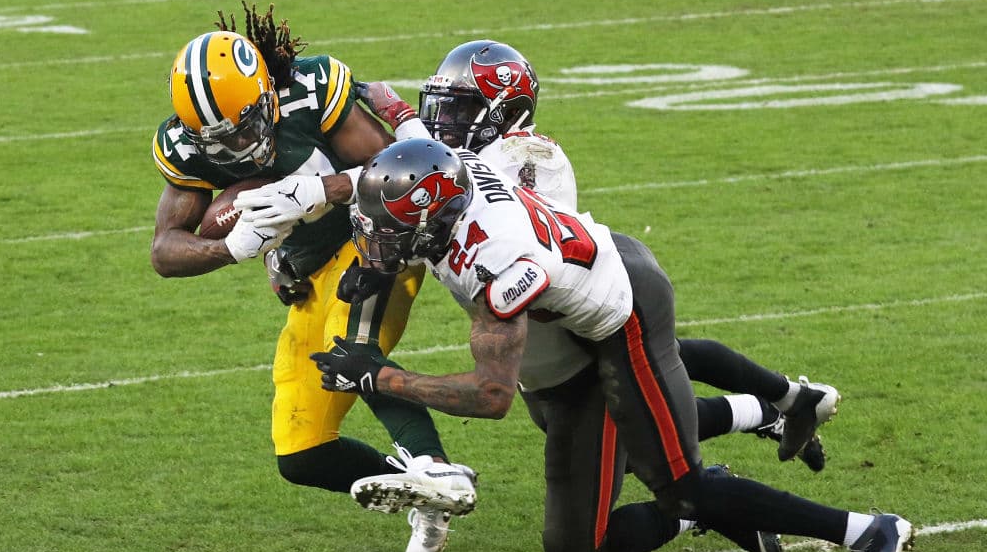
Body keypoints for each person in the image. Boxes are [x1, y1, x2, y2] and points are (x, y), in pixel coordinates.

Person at [312, 136, 914, 552]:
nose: (374, 235)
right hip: (582, 294)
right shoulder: (453, 168)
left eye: (389, 227)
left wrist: (379, 376)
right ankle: (742, 457)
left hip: (623, 318)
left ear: (437, 220)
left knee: (680, 483)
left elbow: (491, 394)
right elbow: (397, 122)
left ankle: (867, 529)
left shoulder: (498, 264)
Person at [355, 40, 838, 471]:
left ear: (502, 113)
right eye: (441, 108)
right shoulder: (475, 155)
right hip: (554, 295)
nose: (445, 122)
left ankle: (769, 420)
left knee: (624, 405)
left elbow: (501, 225)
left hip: (561, 291)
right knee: (618, 397)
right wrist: (399, 116)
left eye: (459, 112)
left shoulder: (527, 155)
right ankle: (780, 405)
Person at [149, 2, 475, 552]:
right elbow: (164, 250)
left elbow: (400, 168)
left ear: (267, 95)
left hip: (377, 240)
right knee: (302, 452)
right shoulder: (186, 146)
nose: (236, 148)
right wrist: (230, 249)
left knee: (349, 351)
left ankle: (435, 465)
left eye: (246, 126)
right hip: (313, 269)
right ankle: (424, 494)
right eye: (218, 139)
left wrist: (317, 191)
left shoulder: (309, 89)